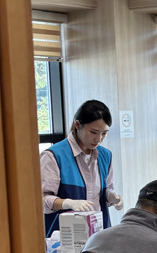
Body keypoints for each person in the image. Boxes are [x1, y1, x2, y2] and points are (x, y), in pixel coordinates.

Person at [41, 99, 124, 237]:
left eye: (104, 133)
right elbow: (42, 200)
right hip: (64, 238)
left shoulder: (105, 156)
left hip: (98, 235)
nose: (99, 139)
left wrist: (111, 196)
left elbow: (105, 190)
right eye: (94, 132)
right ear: (78, 125)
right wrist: (68, 203)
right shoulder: (53, 156)